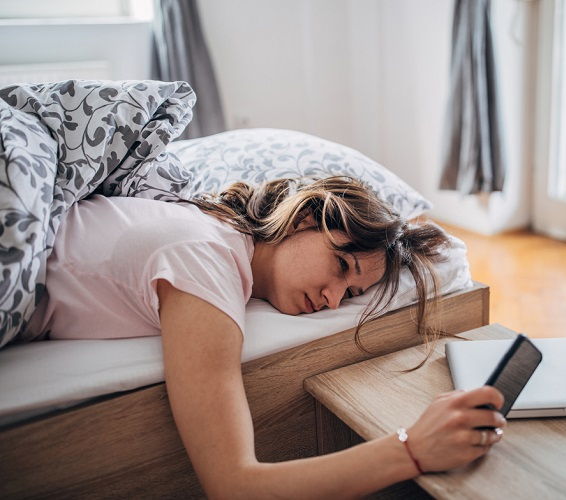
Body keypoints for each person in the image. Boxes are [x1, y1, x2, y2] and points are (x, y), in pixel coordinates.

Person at [23, 176, 506, 497]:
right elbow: (236, 485)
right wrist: (413, 449)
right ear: (303, 219)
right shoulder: (204, 259)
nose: (333, 299)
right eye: (341, 265)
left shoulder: (212, 235)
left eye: (352, 292)